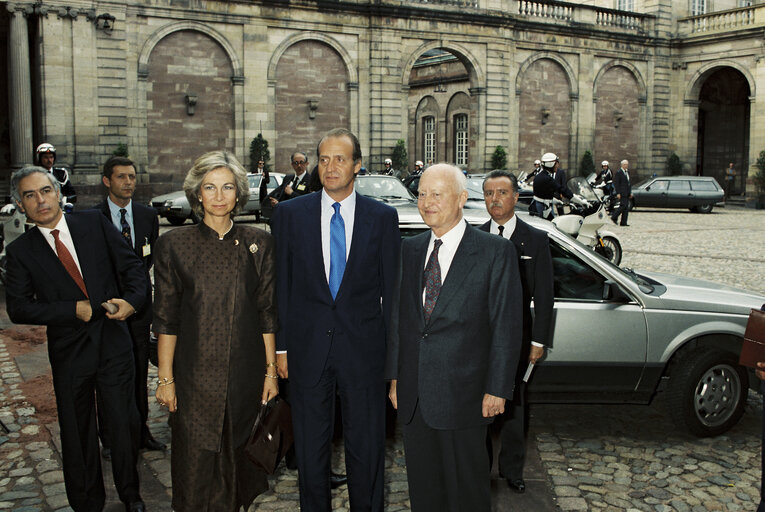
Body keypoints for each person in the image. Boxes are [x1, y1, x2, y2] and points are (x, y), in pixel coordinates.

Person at [270, 128, 400, 512]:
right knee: (310, 454)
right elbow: (281, 286)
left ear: (357, 165)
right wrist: (281, 347)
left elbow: (392, 295)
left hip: (364, 355)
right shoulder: (291, 215)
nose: (330, 167)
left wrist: (394, 364)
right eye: (324, 159)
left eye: (340, 158)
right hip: (307, 352)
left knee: (367, 451)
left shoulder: (382, 217)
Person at [5, 166, 146, 512]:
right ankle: (87, 502)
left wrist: (131, 301)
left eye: (45, 191)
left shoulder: (93, 224)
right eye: (30, 195)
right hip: (70, 352)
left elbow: (132, 268)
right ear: (21, 205)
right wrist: (71, 311)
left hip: (114, 343)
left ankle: (132, 495)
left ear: (58, 192)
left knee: (122, 424)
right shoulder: (21, 252)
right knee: (77, 430)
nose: (40, 200)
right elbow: (19, 308)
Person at [386, 163, 523, 512]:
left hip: (467, 395)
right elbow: (400, 320)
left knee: (467, 492)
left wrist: (498, 387)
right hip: (415, 396)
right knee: (425, 492)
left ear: (462, 199)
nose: (427, 202)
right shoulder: (410, 249)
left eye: (437, 194)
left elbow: (506, 325)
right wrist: (396, 378)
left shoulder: (494, 252)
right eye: (421, 194)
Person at [153, 150, 279, 511]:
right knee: (193, 476)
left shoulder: (259, 244)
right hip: (194, 379)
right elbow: (166, 317)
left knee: (237, 472)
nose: (219, 196)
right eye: (210, 187)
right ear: (197, 195)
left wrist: (270, 372)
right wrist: (165, 378)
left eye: (227, 187)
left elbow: (267, 312)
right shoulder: (174, 245)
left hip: (245, 376)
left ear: (238, 193)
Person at [479, 171, 554, 493]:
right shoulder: (475, 237)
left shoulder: (535, 239)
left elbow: (546, 295)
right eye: (488, 193)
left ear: (516, 197)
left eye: (501, 192)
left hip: (518, 340)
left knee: (514, 407)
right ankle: (480, 470)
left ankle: (512, 470)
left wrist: (538, 341)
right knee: (477, 408)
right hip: (480, 340)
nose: (494, 199)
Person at [94, 156, 165, 458]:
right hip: (107, 311)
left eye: (132, 177)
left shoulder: (147, 215)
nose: (128, 182)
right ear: (107, 181)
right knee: (109, 376)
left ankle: (141, 430)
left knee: (137, 371)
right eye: (121, 177)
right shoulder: (93, 217)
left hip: (138, 309)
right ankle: (111, 436)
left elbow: (149, 258)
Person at [530, 152, 573, 219]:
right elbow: (562, 189)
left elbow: (544, 194)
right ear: (551, 164)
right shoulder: (547, 178)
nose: (557, 166)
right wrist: (578, 200)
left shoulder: (541, 176)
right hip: (542, 207)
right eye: (556, 163)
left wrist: (556, 200)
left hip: (540, 205)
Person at [611, 159, 632, 226]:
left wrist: (630, 192)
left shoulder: (627, 172)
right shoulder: (619, 172)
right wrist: (618, 193)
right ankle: (613, 217)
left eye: (627, 164)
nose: (626, 166)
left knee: (626, 208)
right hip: (622, 192)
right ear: (622, 165)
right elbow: (617, 184)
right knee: (623, 206)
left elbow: (629, 183)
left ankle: (623, 222)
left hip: (627, 192)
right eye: (625, 164)